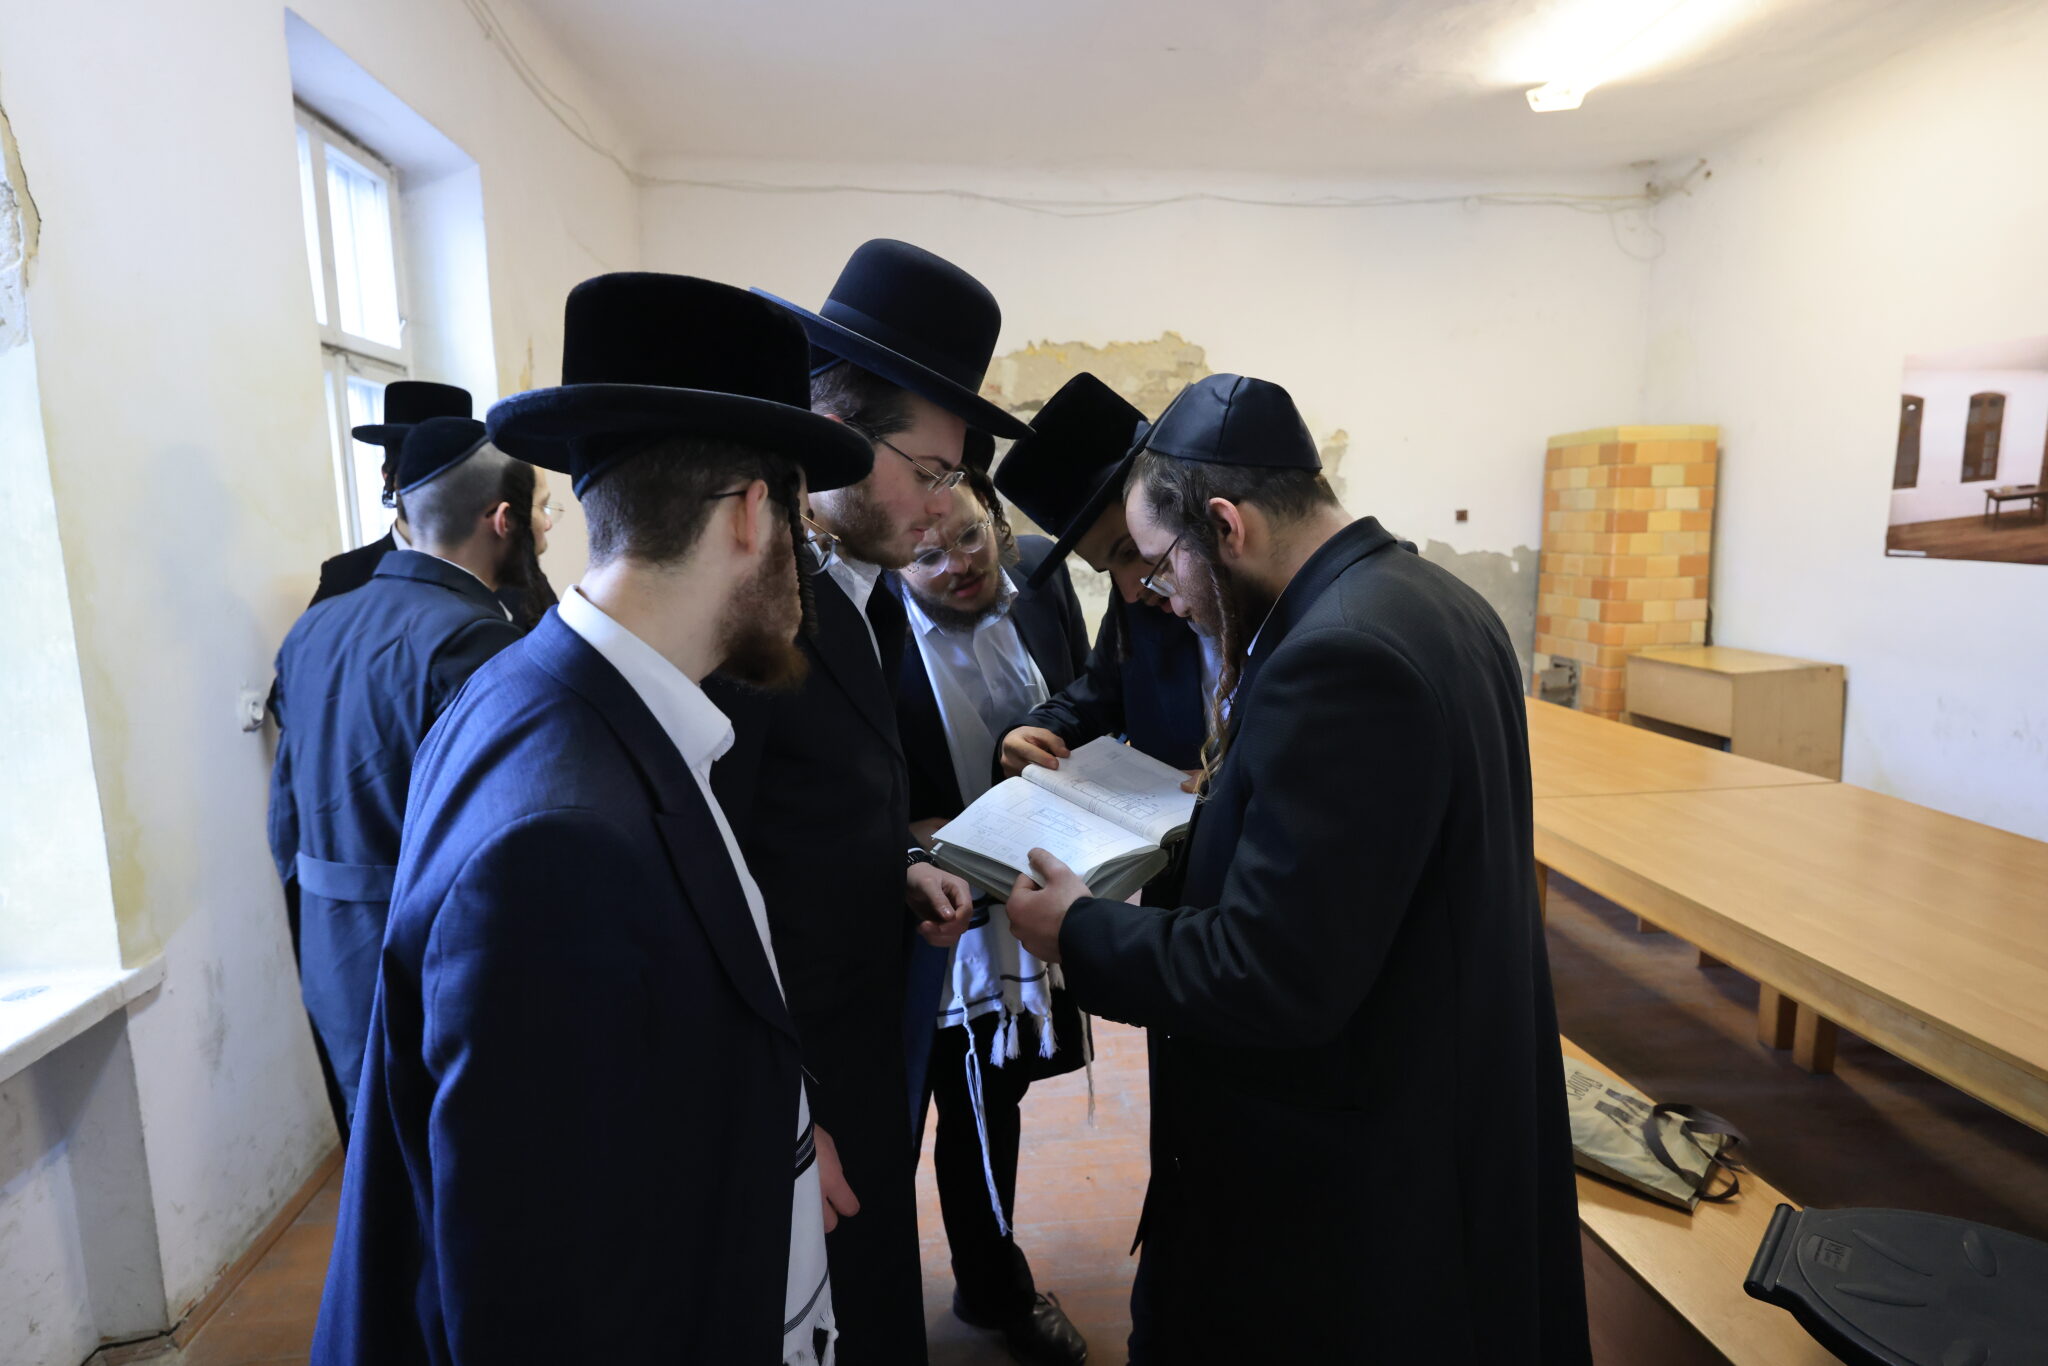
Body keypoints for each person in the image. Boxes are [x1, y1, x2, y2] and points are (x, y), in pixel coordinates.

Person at [312, 273, 876, 1364]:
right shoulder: (558, 844)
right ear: (751, 514)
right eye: (800, 518)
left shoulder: (549, 693)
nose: (803, 562)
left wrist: (781, 1128)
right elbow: (538, 1297)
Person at [1006, 374, 1593, 1364]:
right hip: (1435, 1087)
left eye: (1159, 564)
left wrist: (1079, 929)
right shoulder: (1434, 599)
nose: (1157, 596)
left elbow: (1272, 971)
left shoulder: (1336, 658)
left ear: (1224, 526)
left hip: (1355, 1162)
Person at [709, 239, 1021, 1366]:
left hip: (862, 1052)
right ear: (837, 427)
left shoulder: (855, 591)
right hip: (803, 1088)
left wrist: (900, 867)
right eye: (930, 470)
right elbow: (715, 884)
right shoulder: (747, 608)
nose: (945, 505)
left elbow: (813, 809)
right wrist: (788, 1120)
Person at [266, 416, 534, 1130]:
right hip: (435, 958)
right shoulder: (477, 641)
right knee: (457, 1157)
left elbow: (284, 818)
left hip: (329, 946)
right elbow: (505, 846)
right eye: (539, 510)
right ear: (502, 520)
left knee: (374, 1151)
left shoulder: (314, 626)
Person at [890, 468, 1091, 1366]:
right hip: (925, 913)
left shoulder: (1042, 580)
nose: (958, 565)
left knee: (989, 1097)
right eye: (927, 554)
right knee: (917, 1105)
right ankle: (889, 1297)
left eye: (969, 537)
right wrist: (904, 838)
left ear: (995, 522)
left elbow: (1087, 699)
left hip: (1027, 900)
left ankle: (988, 1284)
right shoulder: (866, 624)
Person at [992, 374, 1209, 781]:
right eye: (1109, 570)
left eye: (1131, 552)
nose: (1130, 592)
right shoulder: (1137, 606)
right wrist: (1030, 733)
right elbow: (1093, 699)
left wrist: (1231, 789)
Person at [311, 380, 557, 623]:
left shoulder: (512, 567)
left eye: (457, 474)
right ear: (391, 478)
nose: (442, 487)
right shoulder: (346, 577)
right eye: (423, 474)